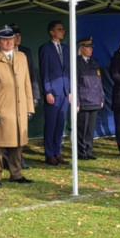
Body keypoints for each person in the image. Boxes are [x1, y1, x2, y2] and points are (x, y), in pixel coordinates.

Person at [0, 25, 35, 187]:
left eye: (11, 39)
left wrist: (29, 107)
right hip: (2, 108)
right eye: (5, 40)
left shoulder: (21, 57)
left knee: (18, 143)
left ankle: (16, 173)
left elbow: (27, 84)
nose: (9, 42)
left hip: (19, 108)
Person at [38, 20, 71, 166]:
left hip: (64, 91)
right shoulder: (45, 48)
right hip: (53, 92)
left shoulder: (65, 48)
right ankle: (49, 153)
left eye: (63, 29)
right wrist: (48, 91)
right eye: (59, 29)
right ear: (52, 32)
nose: (62, 32)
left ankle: (57, 152)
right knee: (51, 124)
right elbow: (44, 71)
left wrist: (69, 91)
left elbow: (68, 70)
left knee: (60, 124)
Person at [11, 24, 39, 170]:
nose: (18, 38)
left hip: (23, 96)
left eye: (19, 35)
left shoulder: (25, 52)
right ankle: (7, 159)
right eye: (15, 35)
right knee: (8, 131)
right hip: (9, 99)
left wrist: (34, 95)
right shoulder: (2, 53)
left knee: (22, 131)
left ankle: (19, 158)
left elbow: (32, 75)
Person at [75, 37, 104, 160]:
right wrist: (77, 101)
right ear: (81, 49)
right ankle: (81, 152)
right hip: (83, 99)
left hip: (94, 99)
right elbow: (75, 83)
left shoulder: (94, 62)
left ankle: (89, 150)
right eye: (88, 47)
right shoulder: (76, 62)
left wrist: (101, 97)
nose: (90, 49)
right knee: (82, 127)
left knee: (91, 128)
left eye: (91, 47)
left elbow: (99, 81)